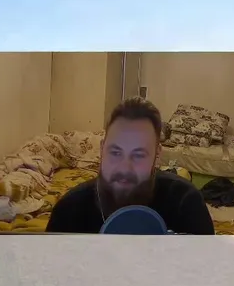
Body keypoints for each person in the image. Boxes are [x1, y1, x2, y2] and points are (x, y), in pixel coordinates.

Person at [46, 97, 215, 234]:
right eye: (115, 152)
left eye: (138, 155)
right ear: (102, 149)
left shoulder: (185, 203)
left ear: (157, 155)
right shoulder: (69, 211)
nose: (124, 168)